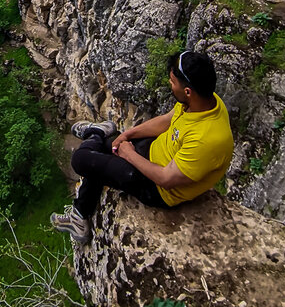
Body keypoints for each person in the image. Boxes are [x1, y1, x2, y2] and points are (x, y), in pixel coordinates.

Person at [50, 49, 234, 244]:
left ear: (187, 91)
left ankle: (95, 133)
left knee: (81, 160)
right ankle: (80, 214)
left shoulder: (208, 138)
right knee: (106, 151)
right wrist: (127, 134)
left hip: (155, 188)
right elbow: (167, 121)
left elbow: (165, 179)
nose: (170, 85)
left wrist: (129, 154)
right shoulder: (202, 101)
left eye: (172, 82)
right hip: (154, 151)